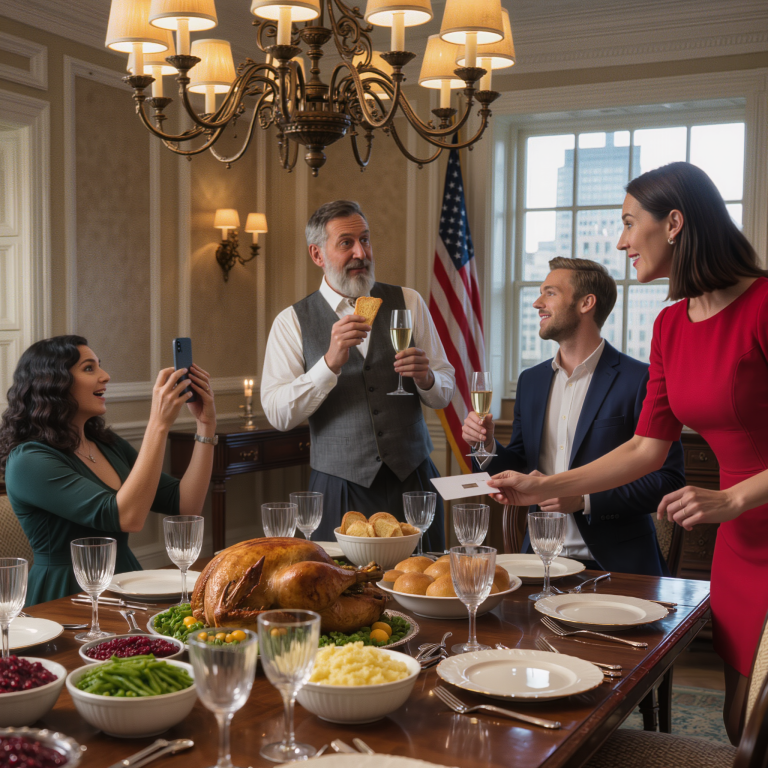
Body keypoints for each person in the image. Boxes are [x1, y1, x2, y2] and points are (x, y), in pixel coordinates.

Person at [486, 161, 768, 743]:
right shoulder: (669, 325)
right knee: (739, 719)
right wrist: (545, 487)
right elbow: (645, 447)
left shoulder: (764, 304)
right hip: (739, 542)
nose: (619, 240)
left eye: (627, 223)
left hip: (744, 504)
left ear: (673, 224)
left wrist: (735, 496)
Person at [463, 258, 685, 575]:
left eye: (550, 293)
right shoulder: (531, 381)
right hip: (537, 565)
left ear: (586, 303)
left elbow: (667, 481)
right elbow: (522, 467)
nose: (538, 303)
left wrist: (583, 499)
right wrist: (484, 446)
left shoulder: (642, 380)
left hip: (616, 566)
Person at [261, 200, 455, 546]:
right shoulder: (291, 322)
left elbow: (445, 389)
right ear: (317, 255)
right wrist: (329, 363)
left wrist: (427, 379)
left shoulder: (408, 302)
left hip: (413, 484)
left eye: (365, 240)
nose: (360, 253)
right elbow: (278, 413)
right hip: (339, 489)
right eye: (346, 243)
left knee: (423, 587)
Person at [0, 335, 217, 605]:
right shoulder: (29, 461)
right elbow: (127, 517)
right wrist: (158, 425)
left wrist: (205, 425)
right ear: (53, 383)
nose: (105, 376)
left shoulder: (107, 444)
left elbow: (185, 504)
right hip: (66, 596)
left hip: (126, 582)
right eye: (89, 368)